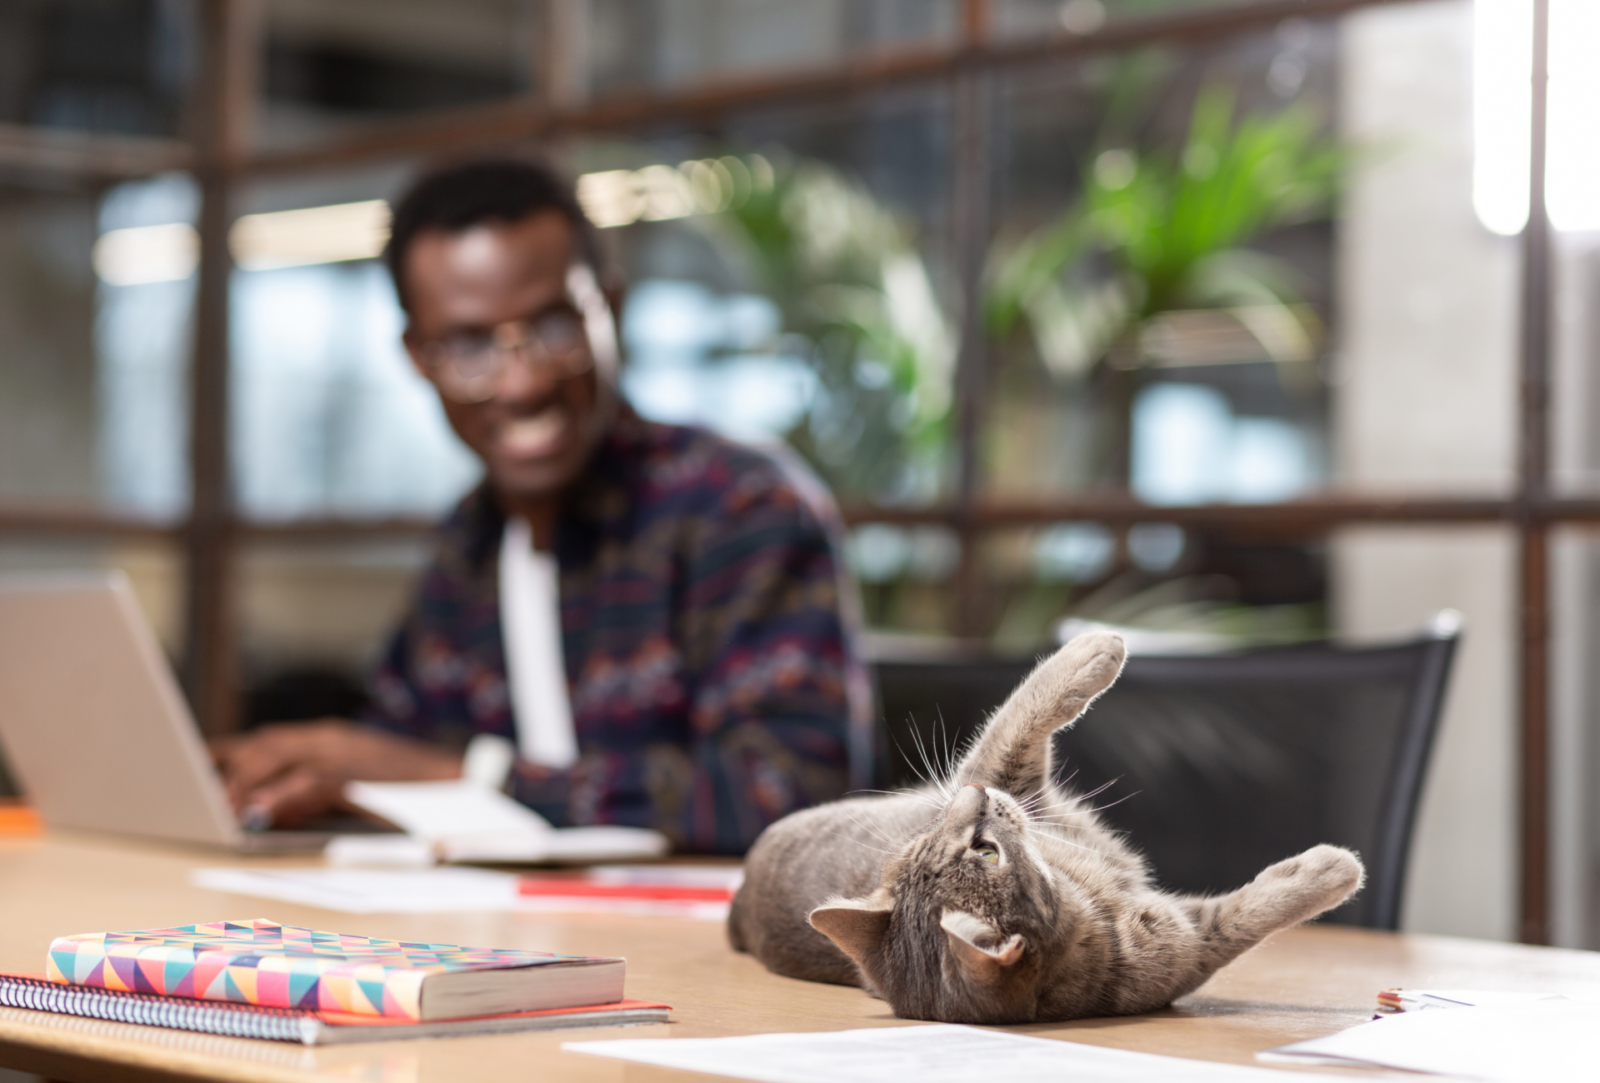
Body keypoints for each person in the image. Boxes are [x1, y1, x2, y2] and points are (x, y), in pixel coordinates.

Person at [212, 158, 865, 853]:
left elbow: (794, 797)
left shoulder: (740, 507)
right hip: (504, 943)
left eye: (554, 327)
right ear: (416, 356)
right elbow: (392, 755)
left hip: (701, 955)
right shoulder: (465, 549)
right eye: (468, 345)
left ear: (609, 308)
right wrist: (302, 779)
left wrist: (466, 777)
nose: (521, 384)